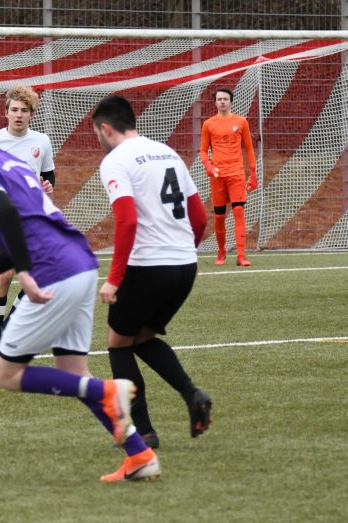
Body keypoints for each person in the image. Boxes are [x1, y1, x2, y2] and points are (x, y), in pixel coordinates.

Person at [0, 98, 160, 482]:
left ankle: (108, 390)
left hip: (54, 271)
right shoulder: (17, 164)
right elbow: (17, 234)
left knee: (6, 373)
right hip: (82, 264)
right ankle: (139, 455)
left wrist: (25, 271)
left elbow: (5, 214)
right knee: (72, 371)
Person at [92, 94, 212, 451]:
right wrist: (183, 250)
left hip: (148, 266)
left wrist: (114, 279)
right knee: (140, 338)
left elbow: (127, 219)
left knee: (117, 344)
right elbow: (200, 218)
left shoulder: (116, 160)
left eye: (97, 133)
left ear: (106, 128)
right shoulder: (167, 152)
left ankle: (142, 431)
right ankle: (192, 395)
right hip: (184, 265)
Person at [0, 85, 57, 355]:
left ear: (31, 115)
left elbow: (49, 177)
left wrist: (47, 187)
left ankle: (8, 328)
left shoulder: (42, 141)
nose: (18, 115)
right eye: (14, 110)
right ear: (5, 113)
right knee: (5, 273)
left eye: (24, 111)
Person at [199, 87, 258, 267]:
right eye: (219, 99)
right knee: (219, 216)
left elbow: (248, 148)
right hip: (218, 176)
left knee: (239, 210)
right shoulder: (208, 124)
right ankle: (221, 251)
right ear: (215, 102)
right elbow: (202, 150)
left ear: (230, 101)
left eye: (225, 99)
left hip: (237, 173)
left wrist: (253, 173)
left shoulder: (241, 122)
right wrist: (208, 165)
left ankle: (241, 255)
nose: (222, 101)